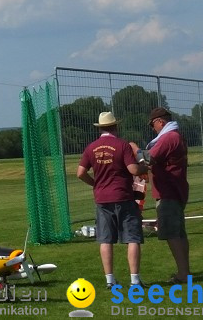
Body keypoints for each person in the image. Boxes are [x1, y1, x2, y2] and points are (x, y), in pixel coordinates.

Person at [76, 111, 146, 287]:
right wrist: (144, 165)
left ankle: (110, 280)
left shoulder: (91, 147)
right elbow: (133, 170)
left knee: (105, 239)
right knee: (132, 238)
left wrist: (95, 184)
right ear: (115, 126)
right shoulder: (122, 145)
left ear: (100, 128)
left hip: (102, 198)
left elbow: (80, 173)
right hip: (123, 196)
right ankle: (135, 280)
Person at [144, 106, 191, 284]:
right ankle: (185, 270)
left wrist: (133, 150)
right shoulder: (177, 136)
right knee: (179, 234)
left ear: (160, 122)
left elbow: (147, 158)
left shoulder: (168, 138)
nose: (152, 128)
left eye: (152, 125)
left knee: (172, 234)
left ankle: (183, 274)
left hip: (168, 192)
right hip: (177, 189)